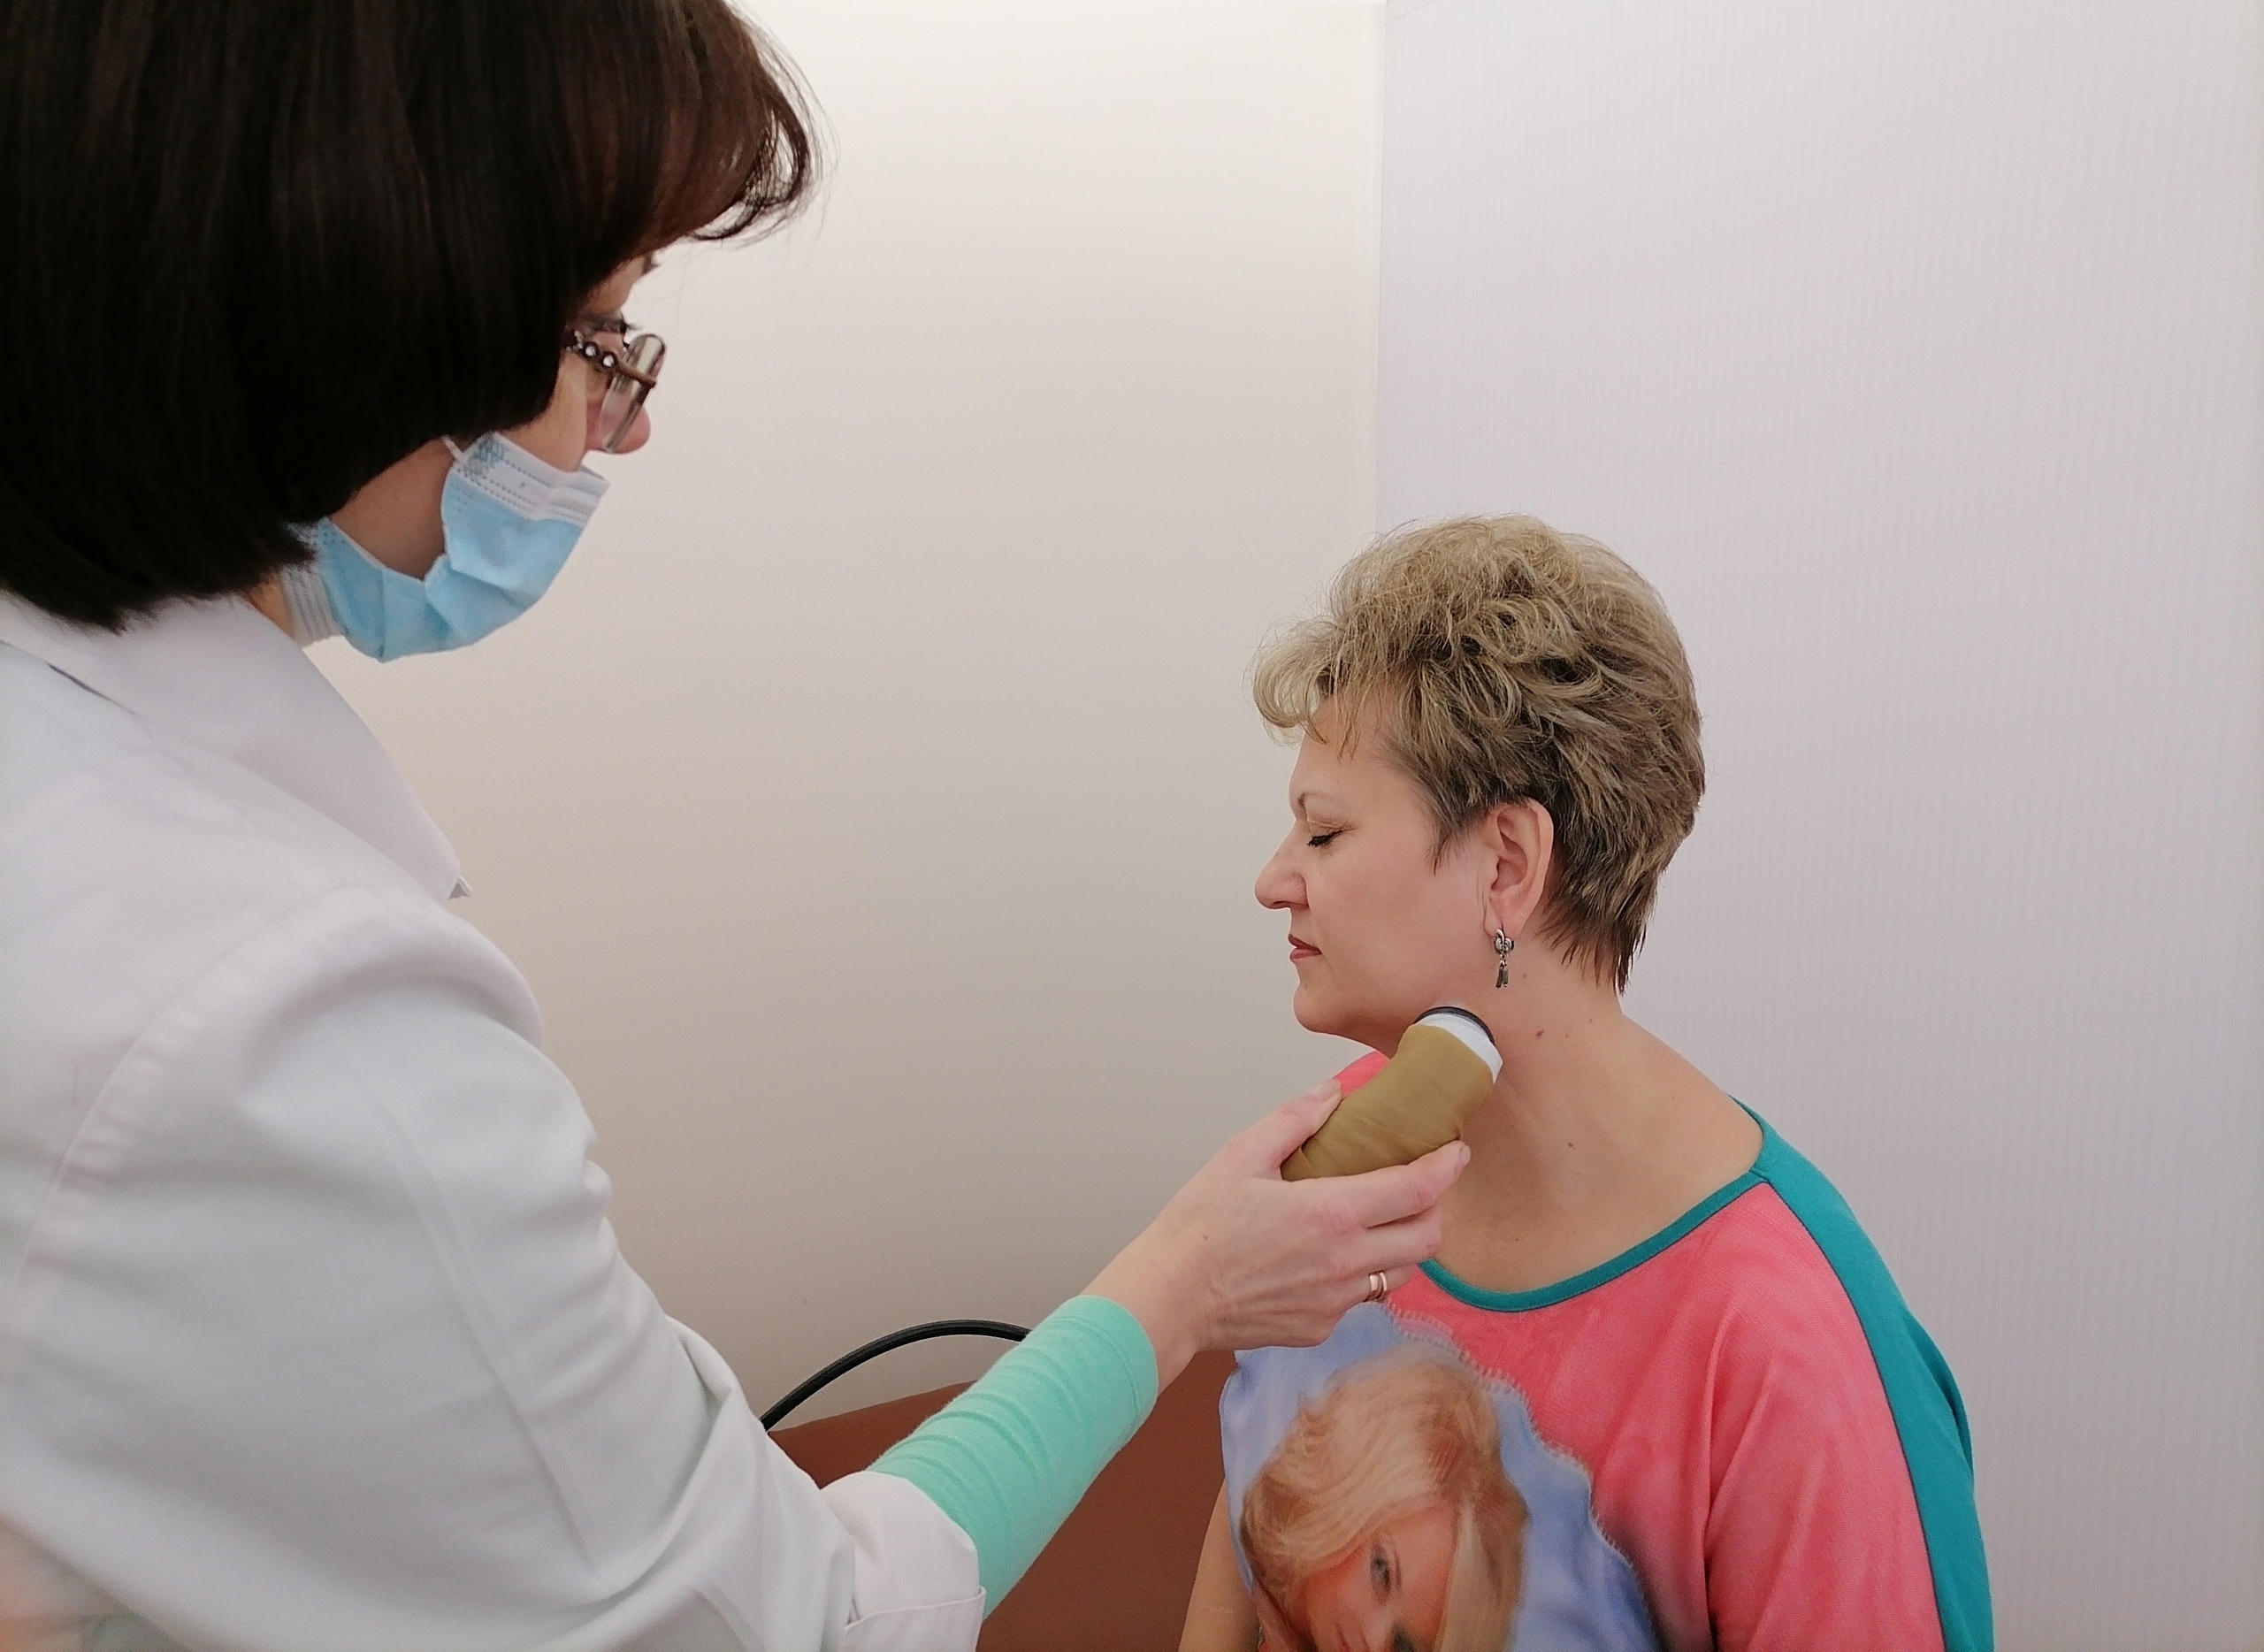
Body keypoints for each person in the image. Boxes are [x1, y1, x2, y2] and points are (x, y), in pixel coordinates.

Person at [0, 4, 1466, 1648]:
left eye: (1326, 834)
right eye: (599, 333)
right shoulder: (273, 1027)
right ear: (364, 309)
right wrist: (1180, 1283)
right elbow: (801, 1619)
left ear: (1514, 863)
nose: (620, 423)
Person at [1180, 517, 1991, 1651]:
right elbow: (1252, 1531)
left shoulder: (1784, 1354)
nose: (1274, 879)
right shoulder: (1351, 1144)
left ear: (1506, 864)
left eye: (1323, 833)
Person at [1238, 1347, 1524, 1652]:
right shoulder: (1247, 1562)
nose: (1375, 1642)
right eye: (1381, 1572)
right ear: (1342, 1493)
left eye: (1403, 1646)